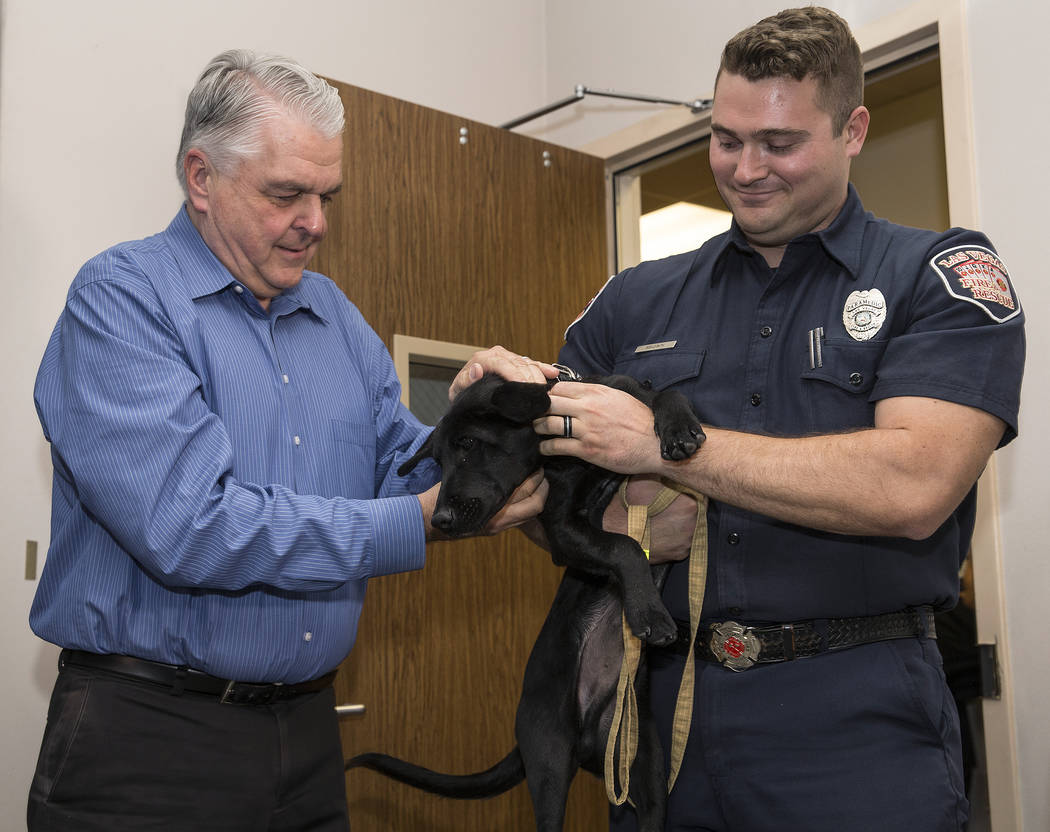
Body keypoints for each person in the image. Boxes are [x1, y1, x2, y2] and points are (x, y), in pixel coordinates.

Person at [522, 7, 1024, 831]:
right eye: (726, 139)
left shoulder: (936, 278)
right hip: (668, 721)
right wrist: (620, 526)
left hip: (856, 723)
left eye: (779, 144)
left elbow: (913, 484)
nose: (746, 168)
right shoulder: (635, 300)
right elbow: (539, 489)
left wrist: (669, 450)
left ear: (853, 128)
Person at [27, 50, 551, 832]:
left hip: (307, 737)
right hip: (149, 744)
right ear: (201, 178)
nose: (317, 222)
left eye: (326, 194)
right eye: (286, 195)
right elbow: (192, 528)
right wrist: (422, 521)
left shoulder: (334, 315)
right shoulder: (124, 300)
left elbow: (403, 469)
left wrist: (478, 421)